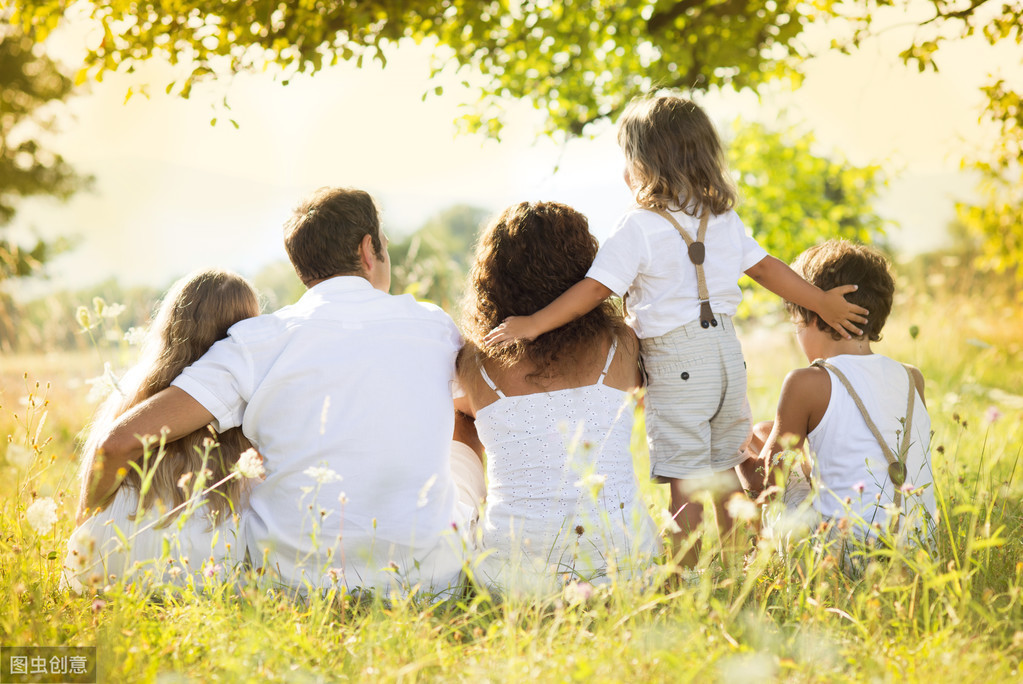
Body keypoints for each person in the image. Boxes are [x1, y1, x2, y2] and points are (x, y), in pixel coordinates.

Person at [484, 94, 867, 569]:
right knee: (724, 466)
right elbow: (767, 269)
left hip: (679, 364)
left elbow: (594, 289)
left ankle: (686, 572)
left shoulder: (639, 226)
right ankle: (737, 565)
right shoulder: (723, 218)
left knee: (685, 482)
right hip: (728, 356)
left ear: (643, 165)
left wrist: (535, 323)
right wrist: (821, 301)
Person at [84, 187, 486, 595]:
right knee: (462, 419)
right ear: (368, 250)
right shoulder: (433, 325)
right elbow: (482, 407)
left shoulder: (256, 341)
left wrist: (85, 529)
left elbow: (115, 446)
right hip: (428, 581)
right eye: (383, 246)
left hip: (293, 586)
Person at [458, 201, 659, 594]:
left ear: (492, 278)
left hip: (512, 579)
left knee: (462, 418)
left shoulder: (474, 361)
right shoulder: (621, 343)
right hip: (629, 569)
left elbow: (466, 413)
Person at [741, 240, 936, 575]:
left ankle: (754, 559)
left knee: (750, 437)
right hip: (916, 551)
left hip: (843, 556)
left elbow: (766, 484)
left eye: (795, 321)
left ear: (812, 314)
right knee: (766, 432)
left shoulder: (806, 382)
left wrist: (733, 447)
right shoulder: (911, 378)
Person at [65, 269, 261, 592]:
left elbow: (107, 456)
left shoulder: (134, 394)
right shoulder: (245, 397)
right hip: (200, 569)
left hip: (110, 560)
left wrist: (84, 524)